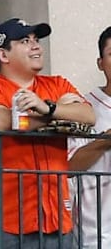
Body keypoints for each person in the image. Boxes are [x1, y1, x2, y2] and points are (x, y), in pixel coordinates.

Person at [0, 18, 95, 248]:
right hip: (6, 219)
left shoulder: (57, 84)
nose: (36, 46)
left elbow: (88, 115)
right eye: (25, 41)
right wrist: (53, 115)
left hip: (57, 217)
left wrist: (48, 107)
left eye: (36, 40)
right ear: (3, 55)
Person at [67, 26, 111, 248]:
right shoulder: (85, 107)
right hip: (97, 230)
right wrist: (106, 139)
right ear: (100, 63)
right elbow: (70, 164)